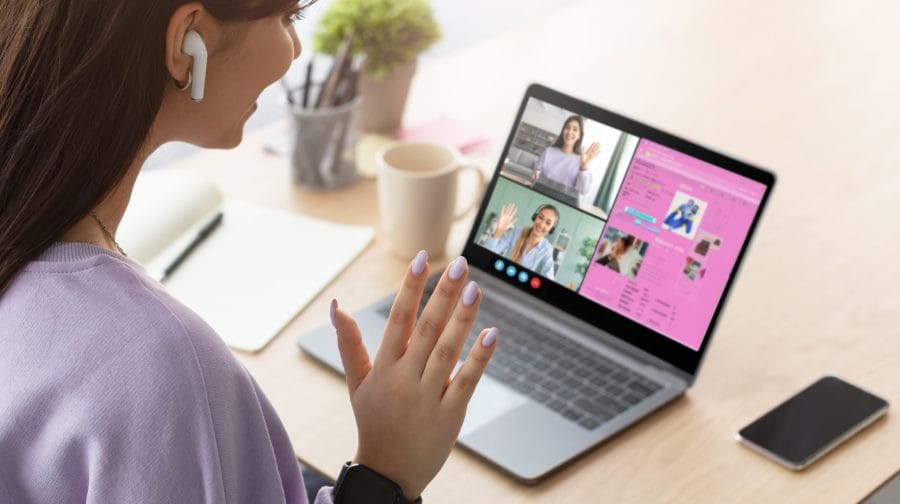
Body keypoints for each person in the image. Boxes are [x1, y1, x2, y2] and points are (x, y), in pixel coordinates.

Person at [0, 2, 498, 503]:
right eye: (289, 19)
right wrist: (386, 473)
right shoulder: (161, 375)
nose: (296, 50)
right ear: (186, 43)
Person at [482, 203, 559, 279]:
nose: (542, 225)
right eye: (540, 218)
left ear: (551, 229)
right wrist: (498, 231)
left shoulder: (547, 249)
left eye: (548, 223)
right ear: (535, 217)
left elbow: (549, 277)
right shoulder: (516, 232)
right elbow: (486, 255)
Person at [530, 115, 601, 195]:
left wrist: (583, 168)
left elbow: (583, 191)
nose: (570, 132)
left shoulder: (581, 161)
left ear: (579, 136)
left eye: (575, 129)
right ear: (563, 131)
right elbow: (536, 172)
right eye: (567, 128)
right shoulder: (548, 151)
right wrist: (535, 174)